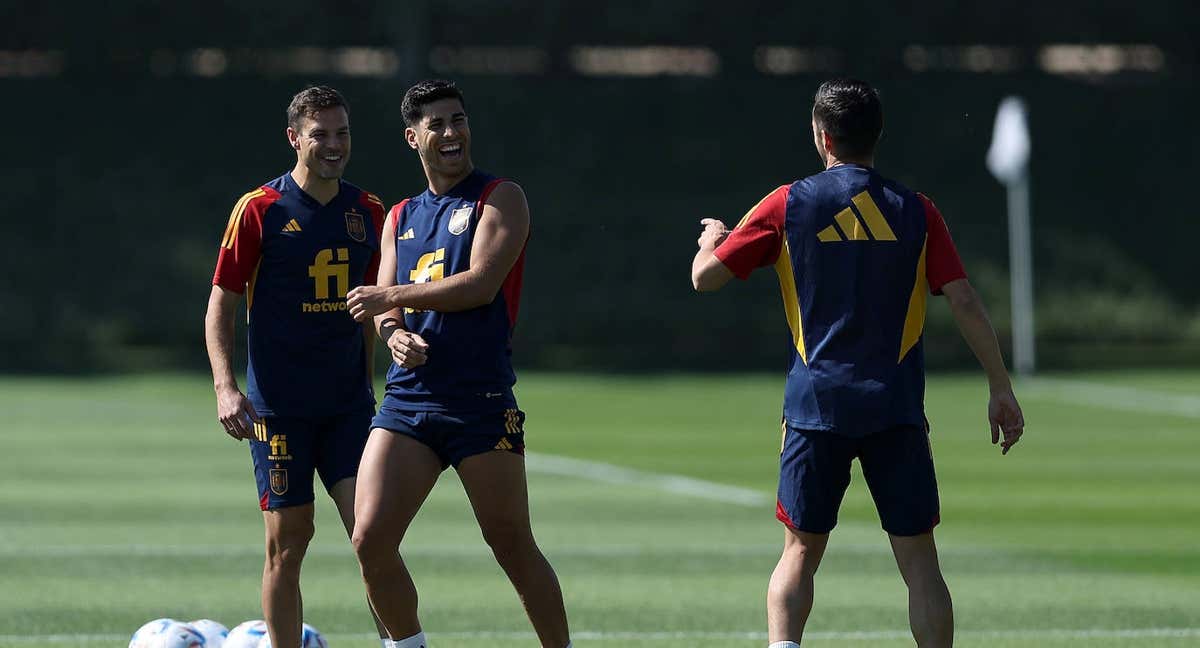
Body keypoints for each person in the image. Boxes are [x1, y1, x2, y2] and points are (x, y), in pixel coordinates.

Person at [690, 78, 1025, 648]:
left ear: (822, 137)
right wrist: (1000, 387)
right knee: (920, 562)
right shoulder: (918, 210)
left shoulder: (786, 203)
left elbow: (706, 278)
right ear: (878, 136)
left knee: (799, 552)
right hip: (894, 407)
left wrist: (711, 239)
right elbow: (964, 299)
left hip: (815, 406)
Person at [344, 79, 572, 648]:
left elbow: (479, 285)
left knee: (511, 544)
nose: (451, 133)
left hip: (478, 401)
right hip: (408, 401)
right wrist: (393, 336)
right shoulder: (400, 214)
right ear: (412, 137)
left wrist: (389, 302)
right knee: (369, 538)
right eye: (437, 124)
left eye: (458, 120)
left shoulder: (501, 197)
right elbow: (385, 304)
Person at [204, 85, 389, 648]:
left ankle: (399, 642)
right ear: (294, 139)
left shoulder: (369, 212)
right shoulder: (259, 209)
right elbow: (221, 301)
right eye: (320, 135)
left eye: (342, 133)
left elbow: (382, 305)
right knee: (289, 542)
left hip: (348, 406)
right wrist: (225, 387)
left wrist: (389, 363)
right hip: (279, 410)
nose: (333, 146)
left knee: (374, 537)